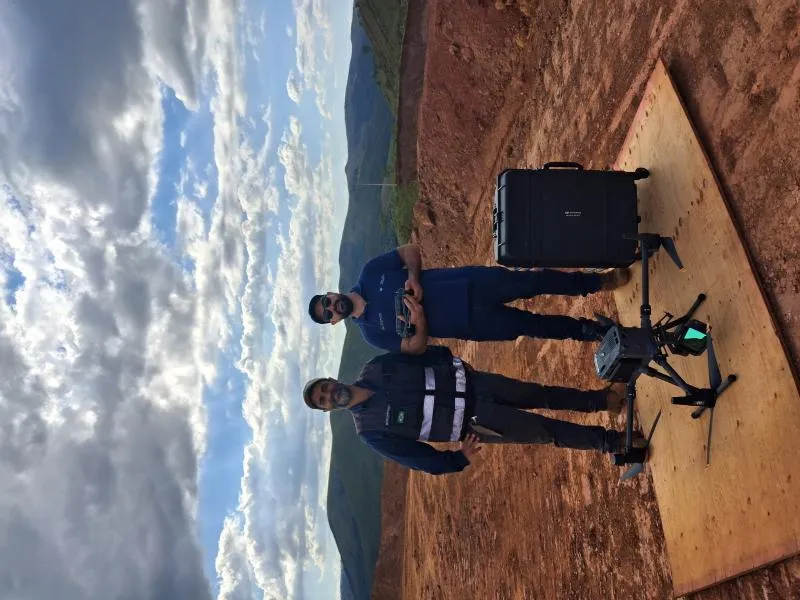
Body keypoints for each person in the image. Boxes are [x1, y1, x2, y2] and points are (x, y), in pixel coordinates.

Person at [302, 345, 645, 475]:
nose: (329, 394)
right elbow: (416, 458)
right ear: (327, 409)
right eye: (323, 400)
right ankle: (612, 443)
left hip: (477, 384)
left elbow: (419, 355)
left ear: (331, 379)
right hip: (476, 423)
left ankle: (602, 401)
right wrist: (458, 459)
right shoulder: (370, 430)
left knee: (541, 393)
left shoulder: (376, 367)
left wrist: (449, 359)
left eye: (325, 388)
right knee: (545, 431)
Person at [307, 244, 629, 353]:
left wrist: (413, 278)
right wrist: (420, 322)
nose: (332, 307)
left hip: (469, 283)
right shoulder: (371, 333)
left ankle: (596, 282)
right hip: (471, 323)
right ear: (333, 322)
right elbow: (414, 348)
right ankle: (591, 332)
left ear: (331, 293)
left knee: (531, 281)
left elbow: (410, 252)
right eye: (328, 313)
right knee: (532, 326)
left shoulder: (370, 272)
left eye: (327, 301)